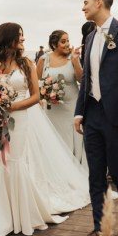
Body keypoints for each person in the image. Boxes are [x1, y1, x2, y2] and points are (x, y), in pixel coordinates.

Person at [0, 23, 89, 236]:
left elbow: (36, 96)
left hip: (18, 119)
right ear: (6, 37)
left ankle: (19, 216)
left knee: (14, 162)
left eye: (22, 36)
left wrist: (11, 107)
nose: (23, 39)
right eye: (18, 36)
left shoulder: (26, 62)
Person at [74, 0, 118, 236]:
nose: (82, 7)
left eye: (85, 2)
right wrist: (79, 112)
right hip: (93, 115)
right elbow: (88, 79)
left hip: (117, 116)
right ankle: (99, 226)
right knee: (95, 174)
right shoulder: (90, 37)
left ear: (99, 2)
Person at [36, 30, 85, 163]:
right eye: (63, 41)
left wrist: (76, 61)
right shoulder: (43, 59)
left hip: (72, 107)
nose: (67, 44)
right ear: (54, 44)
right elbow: (36, 84)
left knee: (71, 137)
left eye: (68, 41)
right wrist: (45, 94)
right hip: (52, 110)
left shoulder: (72, 57)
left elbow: (81, 80)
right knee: (54, 139)